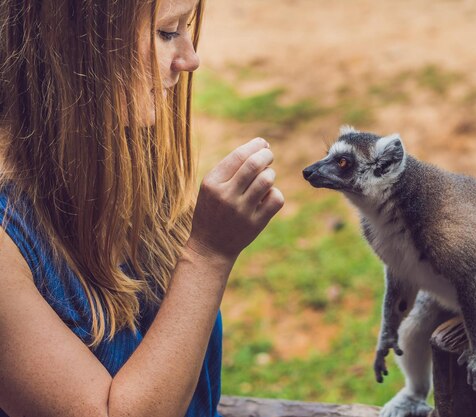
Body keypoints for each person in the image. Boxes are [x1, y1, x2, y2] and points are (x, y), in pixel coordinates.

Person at [0, 0, 284, 416]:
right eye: (167, 33)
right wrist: (207, 256)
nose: (190, 59)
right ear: (75, 42)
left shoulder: (119, 162)